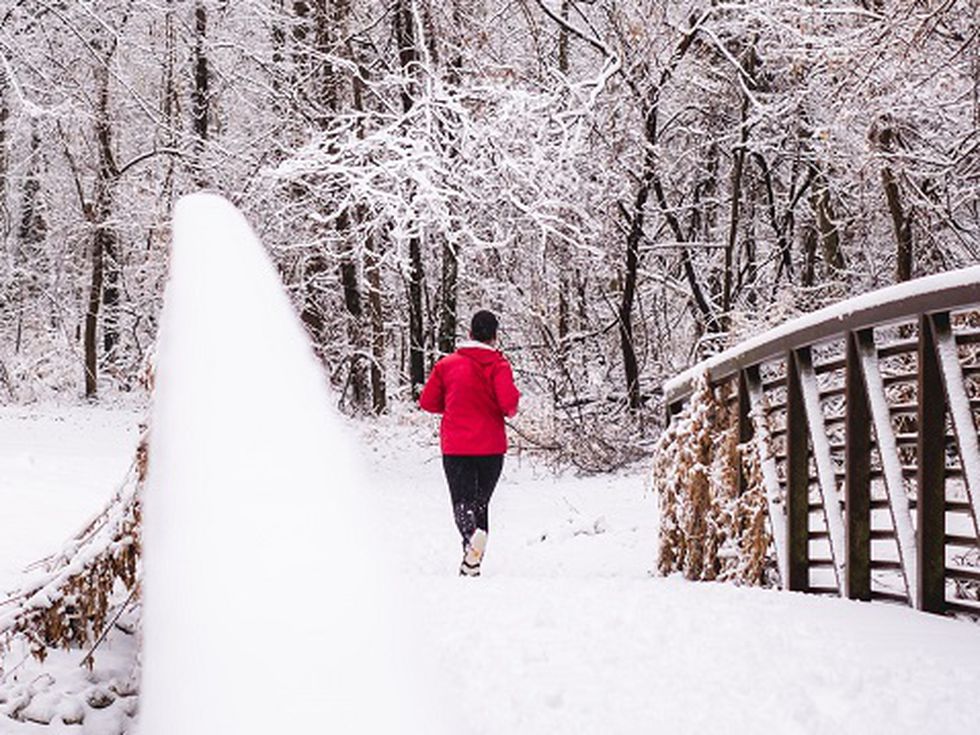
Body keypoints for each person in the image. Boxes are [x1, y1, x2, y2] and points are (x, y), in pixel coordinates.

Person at [419, 310, 520, 577]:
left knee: (463, 503)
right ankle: (472, 563)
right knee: (480, 503)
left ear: (470, 333)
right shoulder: (499, 366)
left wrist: (454, 404)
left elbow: (427, 402)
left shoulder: (447, 365)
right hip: (491, 448)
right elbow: (509, 405)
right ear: (495, 336)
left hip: (456, 446)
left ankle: (471, 542)